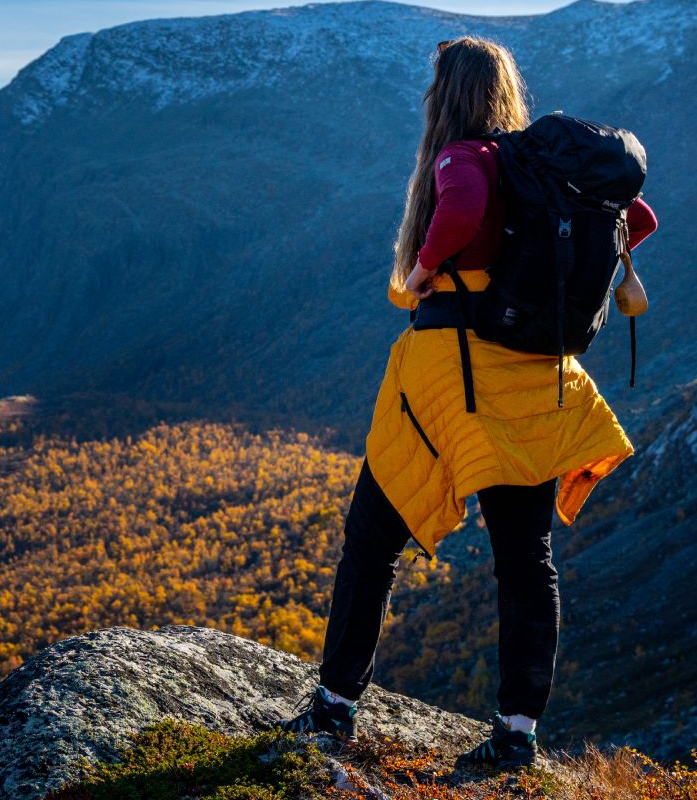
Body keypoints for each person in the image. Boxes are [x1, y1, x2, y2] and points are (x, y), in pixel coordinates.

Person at [276, 37, 658, 769]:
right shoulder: (544, 169)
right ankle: (517, 732)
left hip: (452, 385)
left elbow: (462, 211)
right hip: (536, 385)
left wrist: (422, 271)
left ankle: (333, 709)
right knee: (526, 558)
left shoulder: (465, 160)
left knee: (372, 543)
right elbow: (637, 221)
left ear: (444, 97)